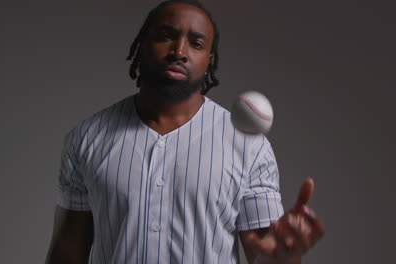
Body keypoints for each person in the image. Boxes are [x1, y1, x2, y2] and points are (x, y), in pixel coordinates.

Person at [45, 0, 324, 263]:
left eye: (196, 43)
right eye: (166, 35)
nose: (179, 51)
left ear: (209, 60)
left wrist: (284, 255)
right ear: (142, 45)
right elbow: (67, 255)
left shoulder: (248, 146)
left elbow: (266, 254)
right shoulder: (88, 138)